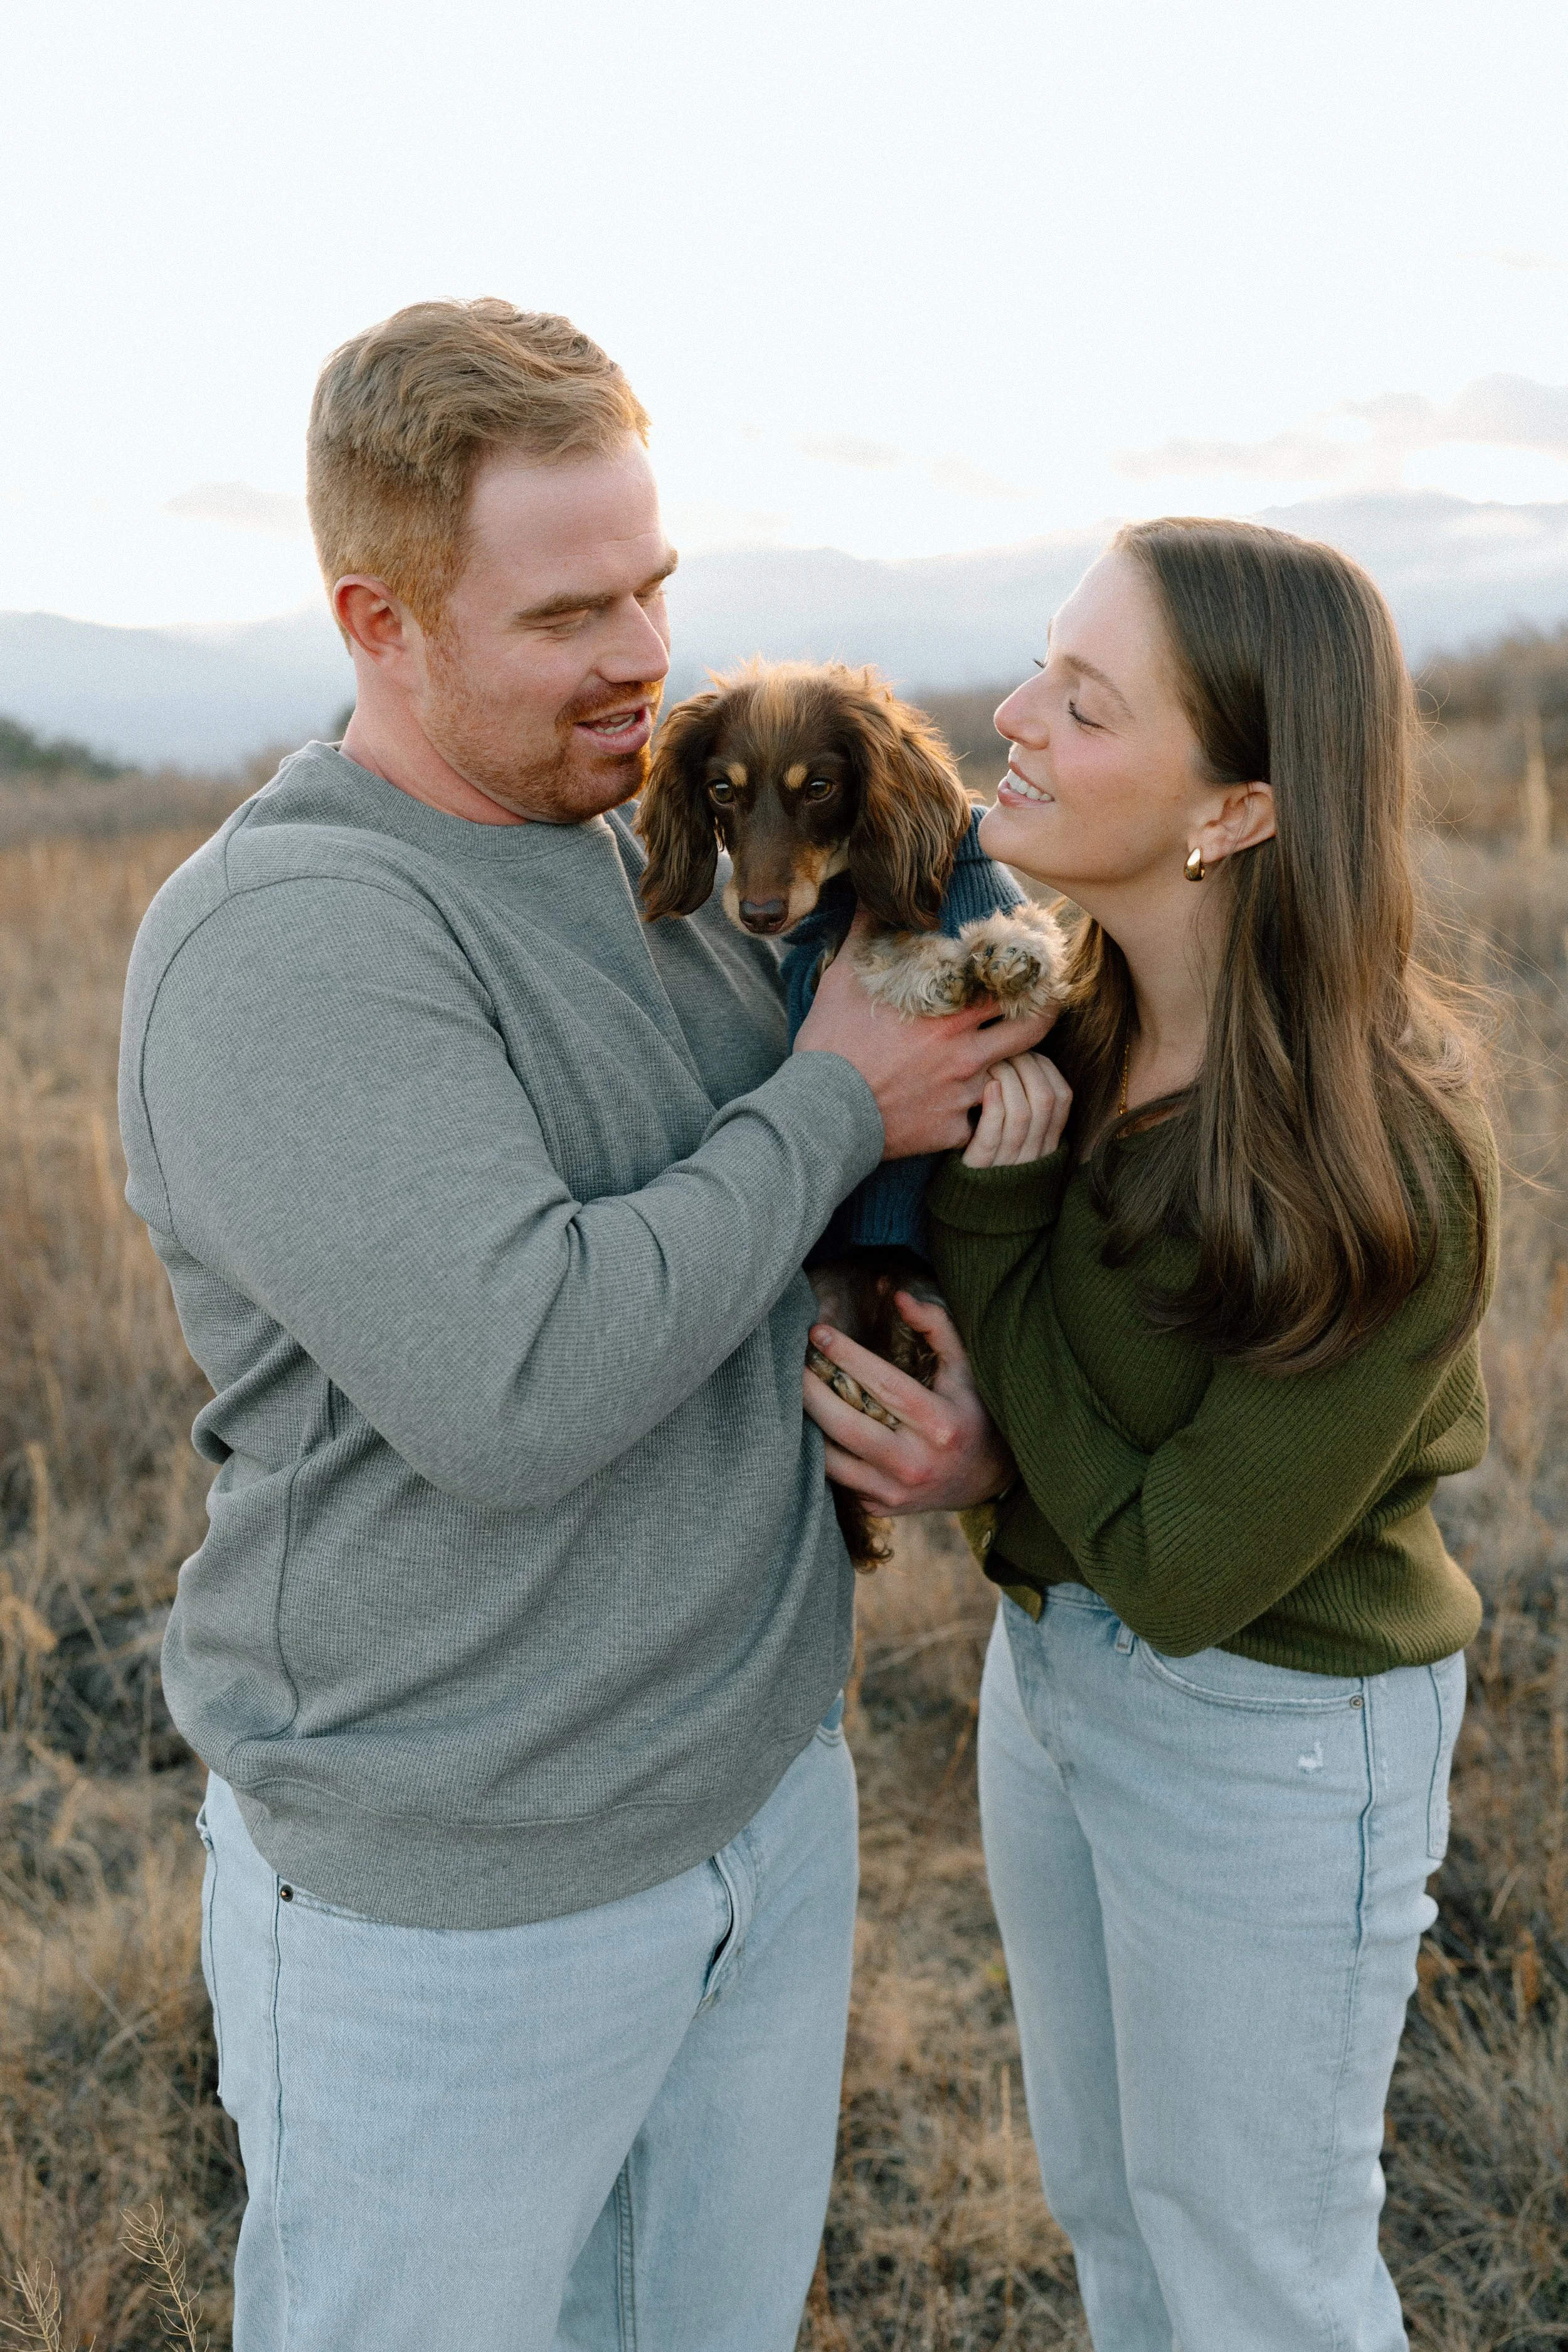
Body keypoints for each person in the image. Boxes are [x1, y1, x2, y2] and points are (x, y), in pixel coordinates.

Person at [117, 299, 1052, 2352]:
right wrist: (835, 1103)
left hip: (755, 1814)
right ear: (379, 618)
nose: (641, 654)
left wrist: (953, 1409)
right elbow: (521, 1381)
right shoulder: (293, 940)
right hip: (458, 1909)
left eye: (653, 586)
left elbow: (786, 1245)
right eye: (566, 614)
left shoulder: (650, 856)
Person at [803, 517, 1496, 2352]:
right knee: (1113, 2218)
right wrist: (986, 1463)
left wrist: (1009, 1282)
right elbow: (1040, 1427)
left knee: (1256, 2267)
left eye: (1085, 703)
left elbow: (1190, 1565)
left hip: (1271, 1736)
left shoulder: (1380, 1162)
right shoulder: (1047, 1026)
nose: (1010, 715)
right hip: (1056, 1682)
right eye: (1042, 661)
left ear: (1237, 809)